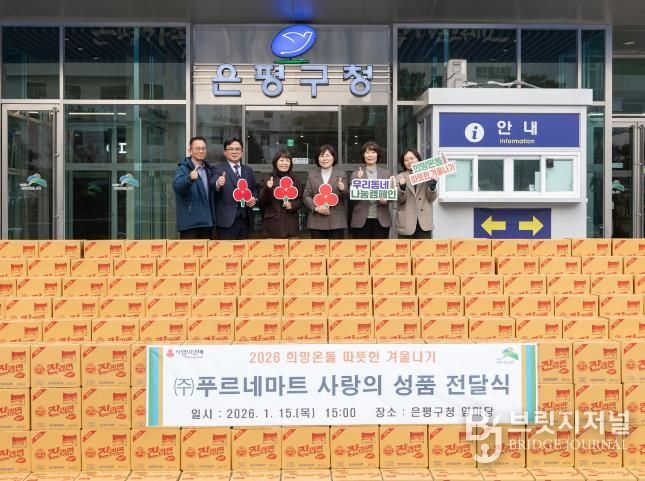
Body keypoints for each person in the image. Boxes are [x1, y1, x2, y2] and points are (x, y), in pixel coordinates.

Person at [212, 137, 258, 240]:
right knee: (226, 249)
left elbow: (254, 189)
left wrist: (254, 198)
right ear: (225, 152)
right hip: (226, 222)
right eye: (230, 149)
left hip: (245, 220)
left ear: (242, 151)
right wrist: (218, 183)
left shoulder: (248, 171)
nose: (234, 152)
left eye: (237, 149)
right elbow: (212, 184)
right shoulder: (218, 169)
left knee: (243, 249)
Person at [172, 136, 216, 239]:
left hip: (207, 223)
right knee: (189, 250)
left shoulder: (208, 170)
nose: (201, 151)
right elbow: (177, 187)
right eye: (197, 148)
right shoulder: (182, 169)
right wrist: (189, 178)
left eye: (203, 148)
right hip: (190, 224)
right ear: (190, 151)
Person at [303, 145, 348, 239]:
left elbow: (346, 196)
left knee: (337, 248)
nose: (325, 159)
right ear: (318, 158)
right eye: (322, 156)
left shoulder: (341, 174)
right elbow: (306, 195)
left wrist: (342, 189)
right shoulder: (312, 175)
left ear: (333, 157)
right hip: (317, 221)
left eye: (328, 155)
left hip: (336, 221)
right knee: (318, 248)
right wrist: (316, 208)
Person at [349, 141, 392, 239]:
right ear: (363, 155)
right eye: (367, 152)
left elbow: (393, 194)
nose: (370, 155)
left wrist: (386, 199)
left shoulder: (386, 174)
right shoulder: (356, 174)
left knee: (380, 248)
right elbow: (352, 196)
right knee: (361, 248)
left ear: (377, 154)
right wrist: (359, 180)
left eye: (373, 152)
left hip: (381, 219)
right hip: (361, 219)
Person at [259, 149, 303, 238]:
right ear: (275, 162)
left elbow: (301, 200)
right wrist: (267, 188)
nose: (284, 163)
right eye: (281, 160)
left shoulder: (296, 179)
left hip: (291, 226)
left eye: (287, 160)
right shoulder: (267, 179)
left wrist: (293, 205)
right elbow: (262, 201)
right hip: (273, 225)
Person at [395, 148, 438, 238]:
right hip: (406, 222)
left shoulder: (427, 175)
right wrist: (402, 188)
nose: (409, 162)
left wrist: (432, 186)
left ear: (418, 159)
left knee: (424, 247)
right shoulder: (399, 177)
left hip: (424, 222)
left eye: (412, 158)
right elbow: (400, 200)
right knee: (404, 247)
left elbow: (431, 198)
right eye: (406, 160)